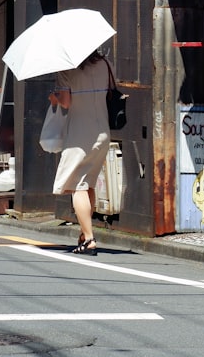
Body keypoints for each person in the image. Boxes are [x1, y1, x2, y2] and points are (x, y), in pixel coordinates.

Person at [49, 50, 112, 255]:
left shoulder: (66, 69)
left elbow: (66, 102)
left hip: (80, 134)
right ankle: (85, 234)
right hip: (102, 130)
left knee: (77, 185)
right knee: (88, 183)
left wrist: (54, 97)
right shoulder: (105, 63)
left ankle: (90, 239)